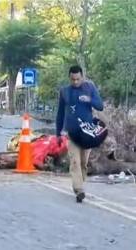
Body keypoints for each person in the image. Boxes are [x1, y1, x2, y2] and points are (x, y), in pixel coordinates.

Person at [56, 65, 103, 203]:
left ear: (82, 77)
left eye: (77, 79)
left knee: (83, 163)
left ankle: (80, 183)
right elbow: (60, 114)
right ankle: (79, 190)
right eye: (72, 79)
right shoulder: (64, 92)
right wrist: (58, 133)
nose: (75, 82)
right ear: (69, 78)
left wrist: (89, 100)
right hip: (72, 132)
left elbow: (100, 106)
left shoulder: (90, 88)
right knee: (75, 161)